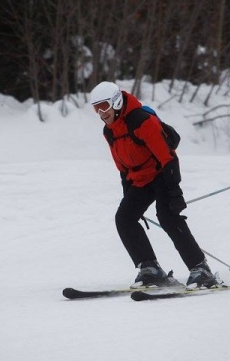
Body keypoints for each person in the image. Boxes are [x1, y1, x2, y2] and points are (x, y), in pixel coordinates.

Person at [90, 81, 217, 288]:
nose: (101, 113)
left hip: (162, 173)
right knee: (124, 218)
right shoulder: (110, 131)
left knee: (167, 216)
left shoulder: (142, 121)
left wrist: (175, 191)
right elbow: (123, 167)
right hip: (140, 179)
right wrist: (128, 195)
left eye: (104, 106)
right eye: (96, 108)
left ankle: (201, 269)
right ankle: (150, 268)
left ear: (116, 102)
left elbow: (168, 157)